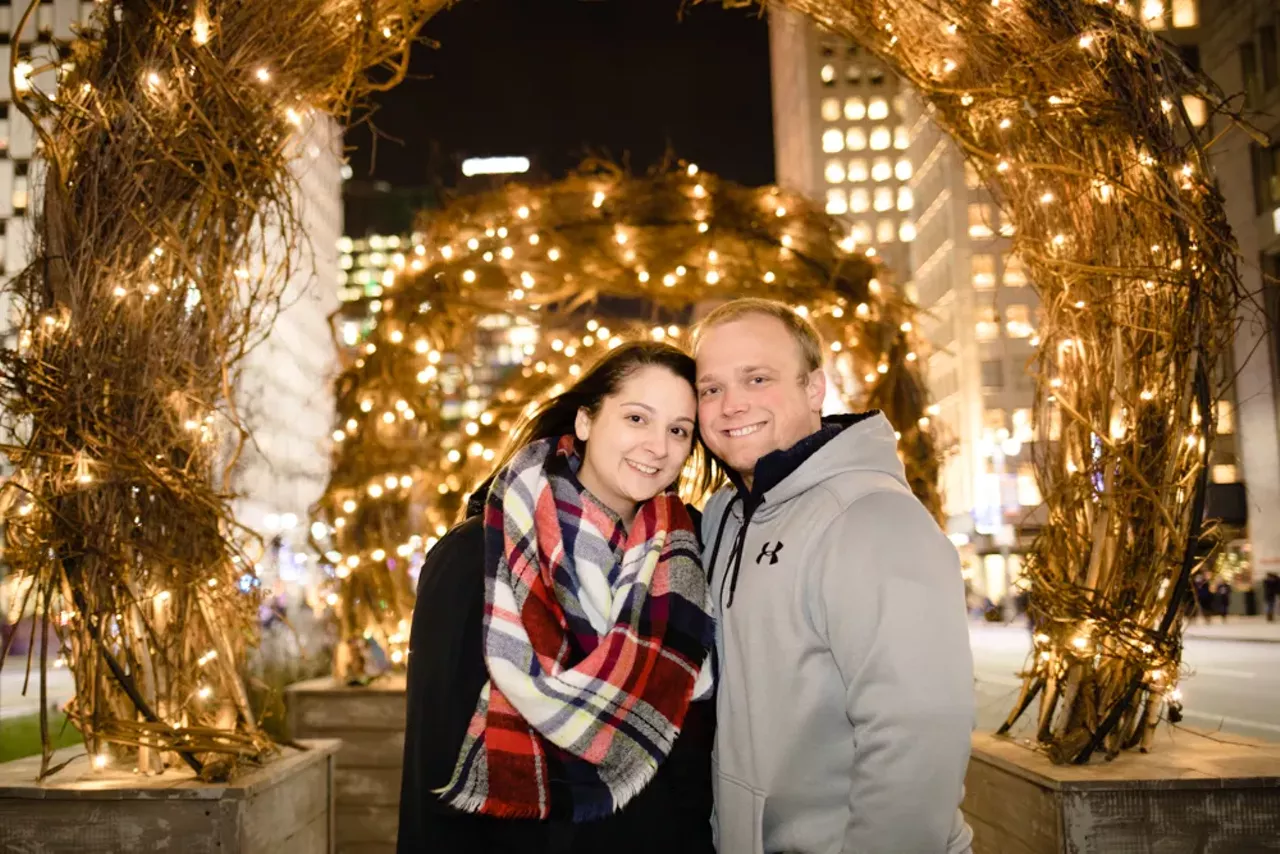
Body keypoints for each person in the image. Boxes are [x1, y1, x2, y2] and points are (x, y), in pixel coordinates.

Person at [397, 341, 716, 854]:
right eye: (637, 418)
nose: (658, 446)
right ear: (586, 421)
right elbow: (432, 762)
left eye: (678, 430)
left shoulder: (696, 555)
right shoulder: (476, 557)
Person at [692, 298, 975, 854]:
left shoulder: (873, 517)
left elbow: (917, 733)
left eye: (757, 378)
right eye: (711, 389)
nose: (731, 405)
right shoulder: (725, 516)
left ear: (815, 388)